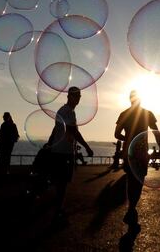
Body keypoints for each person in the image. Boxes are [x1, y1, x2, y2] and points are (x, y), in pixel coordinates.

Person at [115, 89, 160, 230]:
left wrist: (128, 139)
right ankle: (132, 207)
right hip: (141, 153)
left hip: (128, 152)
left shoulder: (124, 114)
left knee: (131, 179)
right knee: (139, 180)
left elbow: (116, 134)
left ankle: (131, 207)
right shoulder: (147, 114)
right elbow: (156, 131)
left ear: (130, 100)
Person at [46, 86, 93, 224]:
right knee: (62, 183)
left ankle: (57, 208)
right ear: (69, 96)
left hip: (58, 151)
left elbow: (56, 129)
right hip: (64, 152)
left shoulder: (64, 110)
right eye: (75, 96)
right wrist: (87, 147)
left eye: (79, 96)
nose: (77, 98)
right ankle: (58, 211)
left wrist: (50, 143)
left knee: (60, 182)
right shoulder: (68, 112)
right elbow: (74, 132)